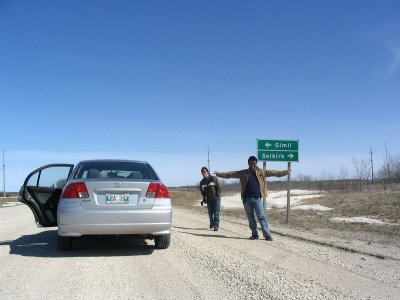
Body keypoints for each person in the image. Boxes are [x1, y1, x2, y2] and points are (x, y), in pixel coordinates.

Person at [214, 156, 289, 241]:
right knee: (250, 217)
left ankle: (267, 235)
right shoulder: (243, 173)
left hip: (257, 199)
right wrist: (219, 174)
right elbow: (231, 174)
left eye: (254, 163)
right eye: (251, 163)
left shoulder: (261, 172)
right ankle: (254, 234)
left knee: (261, 216)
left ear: (256, 163)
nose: (253, 165)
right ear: (248, 164)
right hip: (247, 199)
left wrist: (286, 172)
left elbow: (275, 173)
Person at [200, 167, 221, 231]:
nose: (204, 173)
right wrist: (204, 198)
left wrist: (217, 193)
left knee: (216, 213)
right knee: (210, 213)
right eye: (202, 172)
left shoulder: (214, 178)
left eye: (205, 171)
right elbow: (202, 191)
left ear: (207, 171)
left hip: (216, 199)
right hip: (209, 200)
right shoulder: (202, 182)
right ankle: (212, 223)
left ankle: (216, 226)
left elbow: (219, 187)